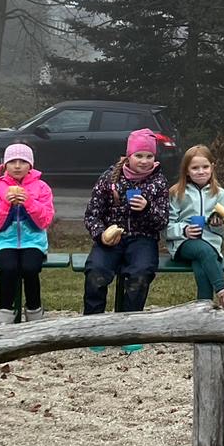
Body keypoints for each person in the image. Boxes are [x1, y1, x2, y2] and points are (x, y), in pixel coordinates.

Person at [83, 128, 172, 351]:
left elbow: (162, 221)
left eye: (149, 156)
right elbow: (92, 214)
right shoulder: (109, 179)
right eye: (139, 155)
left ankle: (130, 330)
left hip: (143, 239)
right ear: (128, 156)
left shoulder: (159, 182)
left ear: (155, 158)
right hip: (111, 237)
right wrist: (101, 234)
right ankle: (93, 330)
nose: (144, 161)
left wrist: (147, 208)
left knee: (140, 274)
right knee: (96, 272)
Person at [0, 143, 55, 326]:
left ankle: (34, 312)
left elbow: (45, 220)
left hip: (33, 240)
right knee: (9, 269)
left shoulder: (41, 187)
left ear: (30, 165)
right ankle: (5, 312)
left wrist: (30, 203)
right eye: (12, 161)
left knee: (30, 268)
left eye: (22, 161)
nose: (17, 166)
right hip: (4, 241)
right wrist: (5, 204)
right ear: (4, 165)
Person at [164, 145, 224, 314]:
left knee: (202, 271)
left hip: (211, 243)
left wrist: (217, 225)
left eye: (205, 167)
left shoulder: (220, 194)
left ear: (212, 167)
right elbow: (166, 227)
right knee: (204, 251)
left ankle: (203, 316)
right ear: (187, 171)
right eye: (195, 168)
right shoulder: (177, 193)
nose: (201, 171)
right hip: (184, 244)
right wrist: (184, 230)